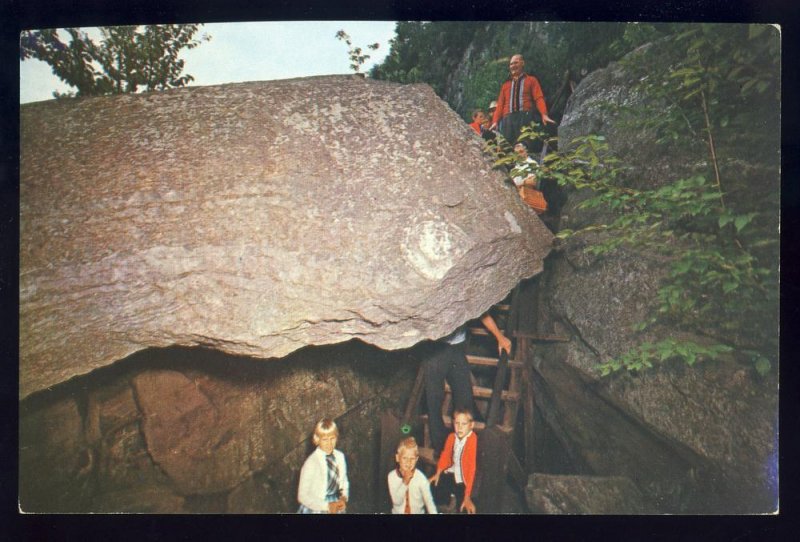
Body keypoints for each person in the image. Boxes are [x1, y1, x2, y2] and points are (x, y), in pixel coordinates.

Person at [424, 313, 511, 454]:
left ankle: (463, 447)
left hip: (457, 347)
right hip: (436, 348)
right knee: (434, 401)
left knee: (465, 398)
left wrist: (500, 338)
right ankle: (441, 449)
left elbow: (482, 311)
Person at [490, 54, 555, 145]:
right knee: (507, 146)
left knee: (525, 144)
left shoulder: (531, 80)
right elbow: (500, 105)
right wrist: (495, 121)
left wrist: (544, 114)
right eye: (511, 64)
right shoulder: (505, 85)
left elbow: (538, 98)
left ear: (522, 63)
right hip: (508, 119)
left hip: (525, 117)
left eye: (516, 63)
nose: (513, 66)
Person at [429, 408, 478, 514]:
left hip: (464, 480)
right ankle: (445, 504)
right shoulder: (451, 437)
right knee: (432, 488)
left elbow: (471, 470)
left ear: (471, 425)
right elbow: (445, 455)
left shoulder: (472, 440)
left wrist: (467, 495)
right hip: (451, 474)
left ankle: (454, 503)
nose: (460, 427)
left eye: (464, 424)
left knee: (463, 507)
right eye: (457, 423)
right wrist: (438, 473)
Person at [297, 418, 349, 514]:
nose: (329, 443)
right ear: (317, 439)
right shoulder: (311, 463)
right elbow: (302, 495)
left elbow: (344, 482)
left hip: (336, 505)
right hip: (316, 507)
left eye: (332, 438)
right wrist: (327, 506)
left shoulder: (340, 457)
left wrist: (343, 498)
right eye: (325, 439)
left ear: (336, 438)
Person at [387, 437, 438, 514]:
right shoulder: (392, 476)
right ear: (397, 458)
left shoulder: (421, 478)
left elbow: (429, 502)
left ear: (416, 459)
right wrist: (405, 482)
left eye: (412, 458)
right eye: (405, 458)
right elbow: (397, 501)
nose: (409, 462)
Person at [511, 142, 547, 214]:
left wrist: (518, 184)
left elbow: (532, 182)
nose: (519, 155)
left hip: (528, 197)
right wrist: (523, 183)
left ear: (526, 151)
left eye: (521, 151)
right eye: (516, 153)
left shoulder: (532, 164)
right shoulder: (514, 168)